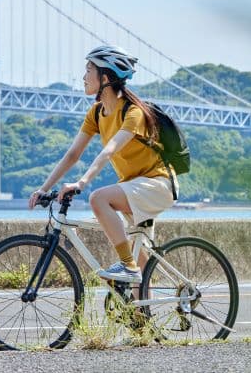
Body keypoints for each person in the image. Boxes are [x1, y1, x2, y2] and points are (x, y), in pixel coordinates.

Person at [28, 45, 176, 283]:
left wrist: (82, 182)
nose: (83, 77)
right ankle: (141, 313)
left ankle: (128, 266)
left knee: (98, 199)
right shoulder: (97, 113)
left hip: (157, 185)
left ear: (105, 78)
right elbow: (72, 154)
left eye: (89, 70)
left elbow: (110, 149)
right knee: (134, 268)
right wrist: (44, 188)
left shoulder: (133, 112)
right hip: (133, 187)